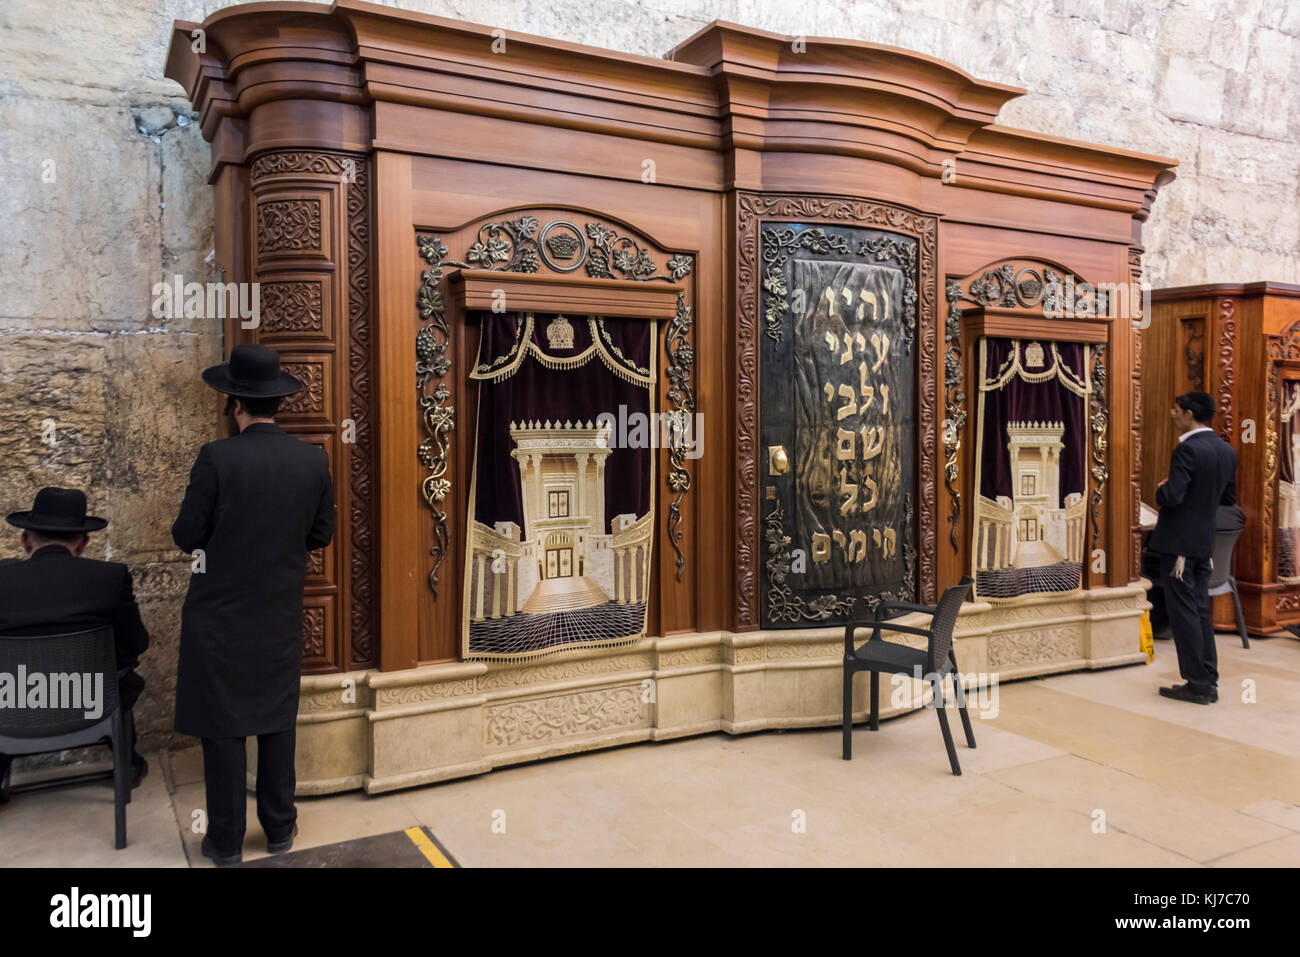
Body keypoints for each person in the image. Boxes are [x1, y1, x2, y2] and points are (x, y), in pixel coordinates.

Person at [173, 344, 334, 866]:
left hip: (218, 616)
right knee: (275, 719)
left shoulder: (217, 458)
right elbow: (321, 533)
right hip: (277, 612)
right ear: (276, 403)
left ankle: (224, 842)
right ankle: (280, 829)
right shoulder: (313, 459)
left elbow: (187, 534)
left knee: (223, 726)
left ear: (233, 403)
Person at [0, 487, 150, 801]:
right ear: (83, 543)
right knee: (119, 676)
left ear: (25, 540)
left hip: (12, 706)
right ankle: (128, 765)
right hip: (90, 703)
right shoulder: (109, 577)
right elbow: (137, 642)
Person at [1147, 391, 1238, 705]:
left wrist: (1162, 489)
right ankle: (1207, 680)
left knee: (1184, 613)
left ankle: (1197, 684)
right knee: (1200, 611)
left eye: (1176, 410)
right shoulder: (1226, 451)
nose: (1173, 415)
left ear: (1188, 413)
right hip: (1204, 543)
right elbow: (1227, 500)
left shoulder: (1187, 451)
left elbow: (1172, 497)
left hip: (1180, 546)